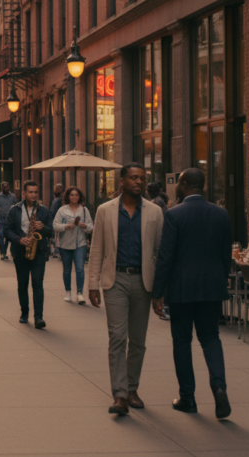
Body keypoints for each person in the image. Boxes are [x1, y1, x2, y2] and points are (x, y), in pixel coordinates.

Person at [151, 168, 232, 419]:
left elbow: (166, 256)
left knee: (182, 342)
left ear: (184, 184)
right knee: (211, 338)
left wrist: (158, 292)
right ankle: (219, 387)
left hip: (182, 289)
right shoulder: (221, 214)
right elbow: (225, 254)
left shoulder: (174, 215)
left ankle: (188, 397)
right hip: (211, 287)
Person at [87, 163, 164, 416]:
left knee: (138, 341)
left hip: (143, 282)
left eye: (142, 178)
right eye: (133, 178)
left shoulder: (154, 212)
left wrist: (159, 291)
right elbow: (97, 248)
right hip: (115, 280)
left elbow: (158, 253)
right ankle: (119, 395)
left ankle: (132, 389)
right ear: (121, 181)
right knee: (118, 338)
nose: (139, 182)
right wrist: (93, 284)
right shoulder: (105, 211)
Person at [5, 181, 54, 328]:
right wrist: (19, 239)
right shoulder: (15, 210)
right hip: (20, 252)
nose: (33, 195)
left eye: (35, 192)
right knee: (23, 284)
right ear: (24, 193)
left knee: (38, 284)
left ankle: (38, 317)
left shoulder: (44, 210)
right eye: (30, 192)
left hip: (38, 251)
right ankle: (24, 313)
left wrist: (43, 227)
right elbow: (7, 230)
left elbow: (51, 230)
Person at [53, 186, 94, 304]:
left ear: (80, 197)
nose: (74, 197)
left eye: (76, 195)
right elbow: (55, 225)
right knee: (67, 269)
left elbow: (91, 226)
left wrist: (85, 226)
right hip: (65, 244)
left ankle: (80, 293)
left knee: (80, 268)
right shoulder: (62, 210)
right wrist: (65, 227)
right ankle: (68, 292)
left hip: (80, 243)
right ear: (68, 197)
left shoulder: (84, 210)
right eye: (72, 195)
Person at [0, 182, 20, 261]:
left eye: (7, 186)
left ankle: (8, 252)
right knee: (1, 236)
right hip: (1, 219)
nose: (5, 188)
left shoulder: (13, 196)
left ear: (9, 187)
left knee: (9, 237)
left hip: (10, 220)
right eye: (4, 187)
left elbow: (16, 206)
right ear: (1, 188)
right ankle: (2, 253)